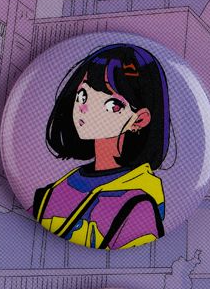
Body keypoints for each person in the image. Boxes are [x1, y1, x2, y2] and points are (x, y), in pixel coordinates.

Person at [32, 44, 169, 249]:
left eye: (111, 105)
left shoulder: (138, 204)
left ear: (139, 120)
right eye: (82, 95)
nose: (85, 108)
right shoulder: (60, 187)